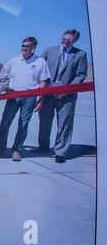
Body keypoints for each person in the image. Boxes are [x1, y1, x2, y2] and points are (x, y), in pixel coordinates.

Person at [0, 37, 50, 162]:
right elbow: (3, 76)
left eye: (28, 46)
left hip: (30, 97)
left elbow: (43, 82)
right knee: (5, 123)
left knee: (23, 125)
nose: (25, 48)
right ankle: (0, 149)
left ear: (33, 47)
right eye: (23, 45)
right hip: (13, 96)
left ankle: (16, 150)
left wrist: (40, 100)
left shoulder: (40, 62)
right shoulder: (13, 61)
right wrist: (1, 90)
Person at [36, 29, 88, 163]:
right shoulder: (49, 51)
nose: (65, 41)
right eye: (64, 38)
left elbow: (81, 74)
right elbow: (39, 68)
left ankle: (60, 152)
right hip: (48, 93)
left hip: (67, 95)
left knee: (64, 123)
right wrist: (45, 87)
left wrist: (66, 90)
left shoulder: (80, 54)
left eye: (69, 40)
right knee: (44, 121)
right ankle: (43, 147)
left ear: (75, 40)